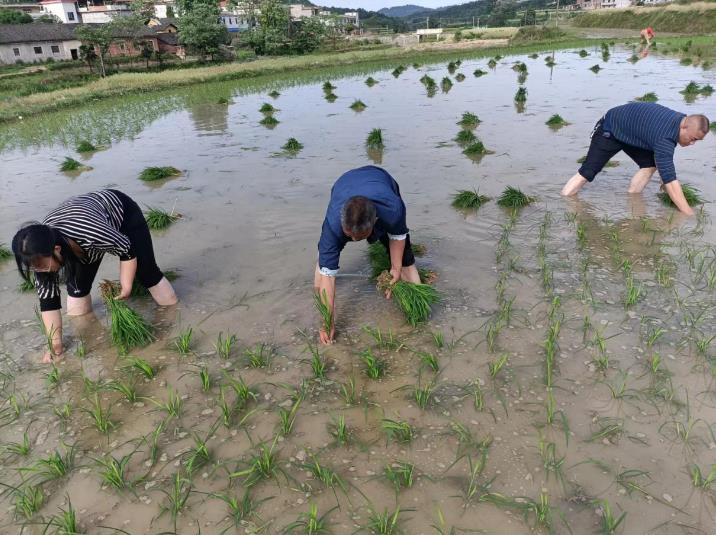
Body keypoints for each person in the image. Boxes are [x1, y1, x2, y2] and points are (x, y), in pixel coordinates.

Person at [11, 189, 177, 363]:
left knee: (147, 273)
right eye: (33, 267)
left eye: (42, 266)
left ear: (57, 250)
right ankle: (91, 337)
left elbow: (127, 249)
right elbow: (48, 303)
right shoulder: (37, 257)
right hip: (77, 239)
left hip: (121, 215)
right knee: (77, 293)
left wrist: (126, 285)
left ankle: (174, 318)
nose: (40, 271)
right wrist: (55, 345)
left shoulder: (91, 232)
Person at [314, 166, 420, 344]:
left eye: (360, 236)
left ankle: (418, 310)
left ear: (375, 222)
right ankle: (321, 310)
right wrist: (328, 320)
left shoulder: (392, 209)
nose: (355, 240)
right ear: (342, 223)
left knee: (405, 261)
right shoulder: (333, 224)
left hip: (380, 179)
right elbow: (327, 276)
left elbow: (398, 237)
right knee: (324, 265)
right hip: (344, 184)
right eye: (350, 235)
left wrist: (395, 268)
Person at [561, 102, 709, 216]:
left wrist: (664, 182)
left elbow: (663, 162)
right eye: (692, 139)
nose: (692, 144)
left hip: (632, 134)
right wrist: (688, 213)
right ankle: (563, 202)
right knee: (587, 172)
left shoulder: (681, 121)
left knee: (650, 164)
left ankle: (633, 198)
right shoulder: (665, 138)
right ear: (684, 126)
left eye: (697, 141)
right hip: (610, 128)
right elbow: (670, 179)